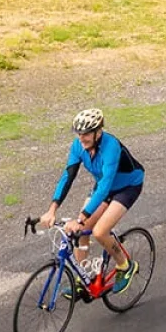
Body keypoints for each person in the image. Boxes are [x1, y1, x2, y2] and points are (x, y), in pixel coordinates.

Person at [39, 108, 145, 294]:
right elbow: (68, 176)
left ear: (98, 132)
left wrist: (80, 218)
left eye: (86, 134)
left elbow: (104, 187)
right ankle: (83, 278)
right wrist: (52, 209)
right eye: (79, 134)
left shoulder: (111, 147)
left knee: (99, 231)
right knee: (81, 232)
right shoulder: (78, 146)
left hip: (127, 186)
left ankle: (125, 265)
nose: (82, 138)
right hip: (104, 187)